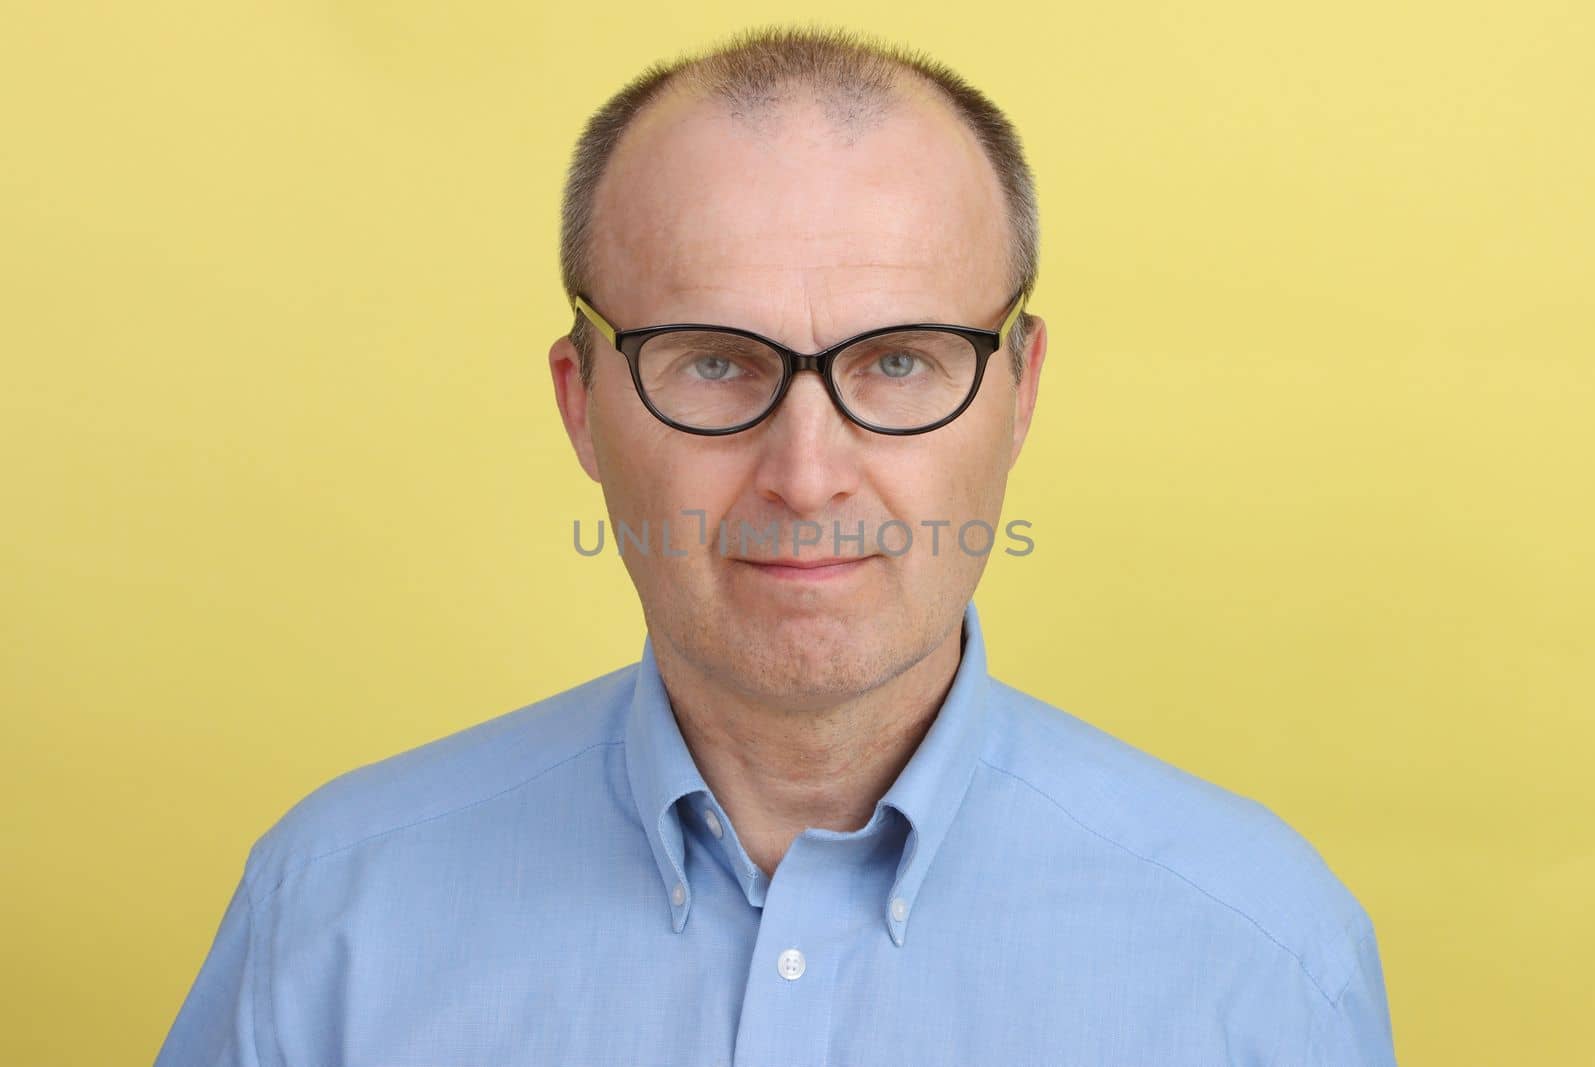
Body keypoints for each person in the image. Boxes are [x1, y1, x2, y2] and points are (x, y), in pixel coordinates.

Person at [156, 25, 1396, 1067]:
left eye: (899, 360)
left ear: (1018, 396)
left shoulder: (1261, 959)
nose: (805, 475)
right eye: (712, 361)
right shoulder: (328, 924)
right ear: (580, 402)